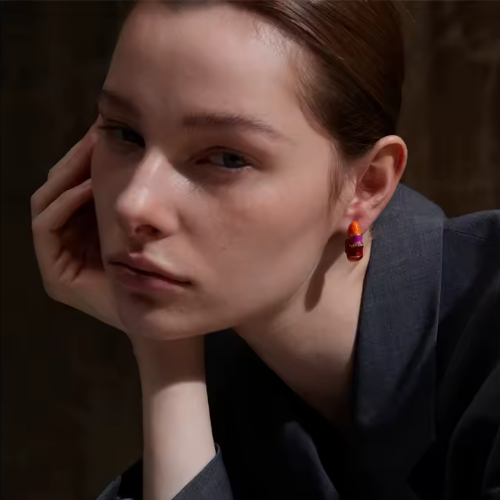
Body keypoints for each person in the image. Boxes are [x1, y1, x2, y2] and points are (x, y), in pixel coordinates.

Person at [30, 0, 500, 499]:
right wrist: (165, 360)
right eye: (126, 133)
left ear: (367, 185)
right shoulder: (228, 369)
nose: (134, 204)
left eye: (227, 158)